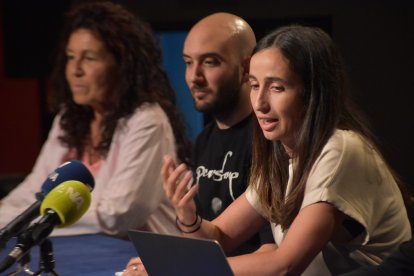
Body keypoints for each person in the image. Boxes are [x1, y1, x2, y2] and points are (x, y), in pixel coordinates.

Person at [160, 25, 412, 275]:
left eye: (276, 87)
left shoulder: (340, 148)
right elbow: (219, 238)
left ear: (312, 93)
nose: (259, 103)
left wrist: (174, 268)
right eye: (255, 85)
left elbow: (284, 265)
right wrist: (188, 216)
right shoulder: (280, 153)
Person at [0, 1, 191, 238]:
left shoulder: (146, 121)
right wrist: (6, 213)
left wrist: (24, 222)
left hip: (137, 261)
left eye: (89, 58)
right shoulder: (69, 118)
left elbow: (116, 215)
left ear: (122, 65)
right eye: (71, 57)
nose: (75, 70)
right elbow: (36, 190)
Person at [123, 12, 274, 275]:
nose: (194, 77)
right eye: (188, 63)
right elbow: (208, 241)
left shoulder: (269, 139)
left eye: (210, 62)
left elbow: (271, 253)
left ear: (246, 68)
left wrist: (174, 267)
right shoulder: (205, 139)